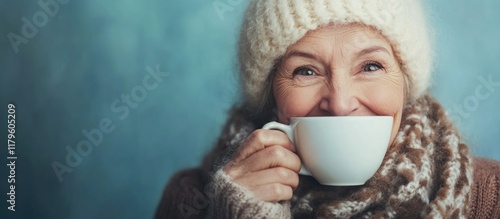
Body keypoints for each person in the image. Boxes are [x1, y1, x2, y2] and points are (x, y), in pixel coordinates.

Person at [155, 0, 500, 218]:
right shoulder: (191, 201)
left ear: (406, 86)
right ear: (272, 98)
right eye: (305, 71)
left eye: (370, 66)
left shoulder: (490, 195)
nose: (339, 103)